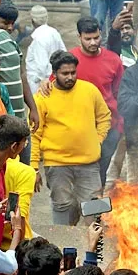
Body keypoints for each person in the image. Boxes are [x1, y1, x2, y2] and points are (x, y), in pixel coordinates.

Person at [31, 51, 110, 225]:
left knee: (95, 208)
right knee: (62, 207)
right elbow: (35, 134)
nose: (70, 77)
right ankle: (63, 248)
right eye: (65, 73)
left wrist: (98, 139)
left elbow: (104, 117)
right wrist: (34, 168)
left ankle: (96, 249)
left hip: (89, 163)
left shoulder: (89, 90)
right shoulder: (43, 97)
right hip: (57, 164)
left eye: (73, 72)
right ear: (54, 73)